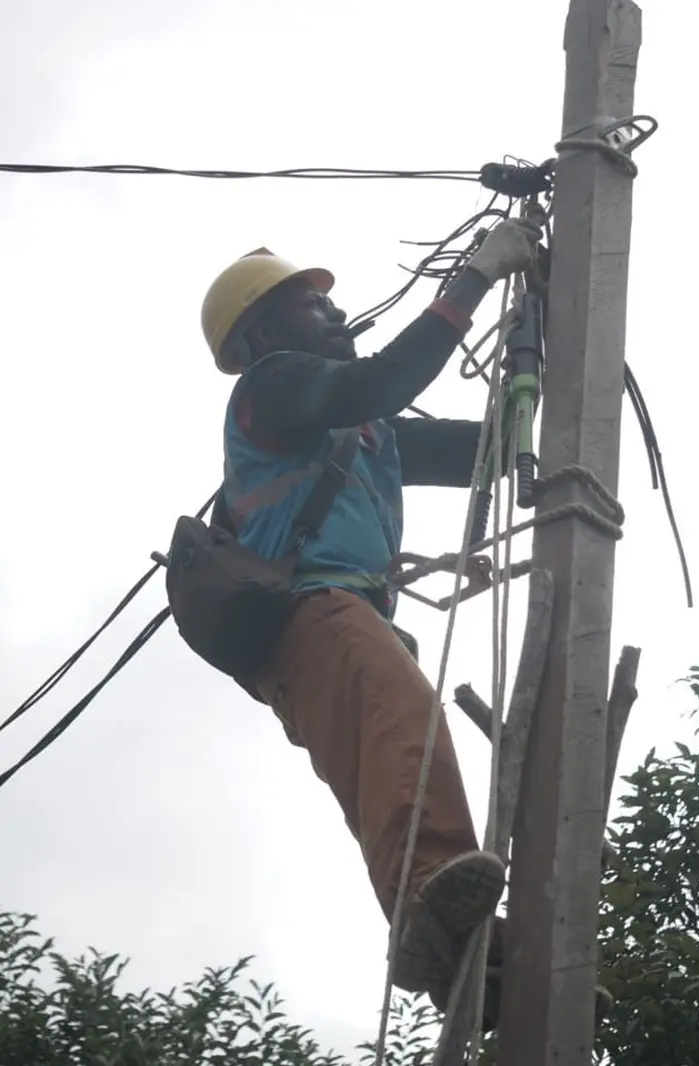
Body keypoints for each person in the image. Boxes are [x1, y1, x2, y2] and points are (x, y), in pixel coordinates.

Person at [199, 218, 542, 1024]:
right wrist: (472, 281)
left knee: (388, 772)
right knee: (406, 731)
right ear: (261, 333)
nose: (334, 314)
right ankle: (431, 897)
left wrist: (539, 356)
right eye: (309, 306)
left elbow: (486, 451)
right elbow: (379, 382)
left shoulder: (366, 432)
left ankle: (471, 964)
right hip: (314, 610)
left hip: (333, 629)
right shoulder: (272, 389)